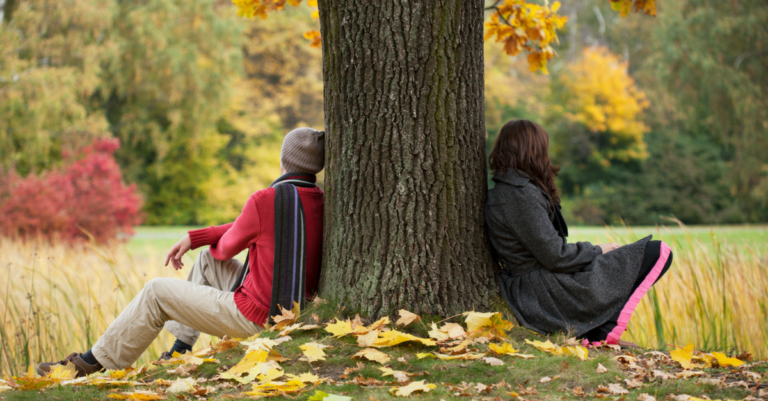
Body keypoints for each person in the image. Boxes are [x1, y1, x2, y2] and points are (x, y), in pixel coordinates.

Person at [37, 127, 326, 377]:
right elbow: (248, 228)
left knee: (156, 292)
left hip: (257, 318)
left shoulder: (266, 199)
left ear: (283, 160)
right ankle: (180, 349)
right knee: (205, 259)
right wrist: (199, 237)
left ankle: (90, 363)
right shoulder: (320, 199)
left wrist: (236, 238)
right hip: (294, 309)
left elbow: (225, 250)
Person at [485, 120, 672, 346]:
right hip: (543, 292)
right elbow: (555, 256)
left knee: (640, 256)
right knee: (656, 251)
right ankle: (601, 330)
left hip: (543, 284)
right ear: (532, 149)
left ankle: (597, 329)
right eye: (543, 147)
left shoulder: (512, 190)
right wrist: (598, 250)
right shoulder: (519, 195)